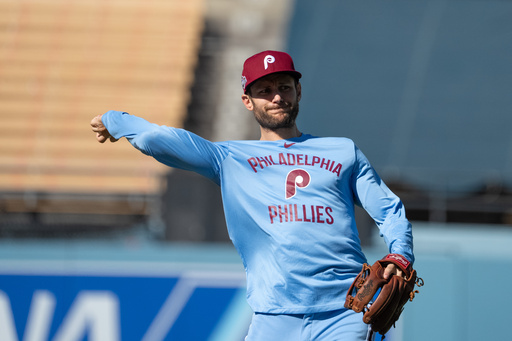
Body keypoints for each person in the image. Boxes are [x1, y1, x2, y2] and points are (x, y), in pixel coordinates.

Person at [91, 50, 414, 340]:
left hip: (344, 311)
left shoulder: (342, 150)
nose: (277, 97)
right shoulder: (228, 157)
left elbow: (388, 209)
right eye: (265, 90)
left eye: (284, 87)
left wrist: (400, 256)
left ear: (298, 91)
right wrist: (116, 120)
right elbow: (158, 138)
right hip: (273, 316)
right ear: (248, 100)